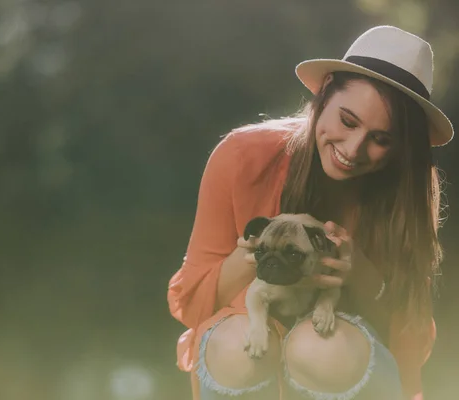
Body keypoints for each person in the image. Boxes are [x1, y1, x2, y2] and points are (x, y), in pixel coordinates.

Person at [167, 25, 454, 400]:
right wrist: (256, 251)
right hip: (253, 332)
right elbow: (191, 304)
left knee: (318, 346)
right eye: (347, 121)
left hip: (349, 363)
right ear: (324, 92)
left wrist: (360, 275)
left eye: (381, 139)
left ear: (402, 148)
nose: (352, 149)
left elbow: (411, 339)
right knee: (238, 349)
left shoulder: (405, 194)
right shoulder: (242, 157)